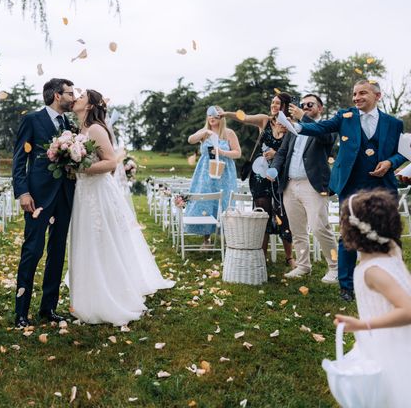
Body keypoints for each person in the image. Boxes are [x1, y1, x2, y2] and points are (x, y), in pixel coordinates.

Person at [67, 89, 175, 326]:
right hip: (84, 193)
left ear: (90, 105)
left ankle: (110, 293)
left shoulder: (95, 129)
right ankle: (88, 293)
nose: (77, 97)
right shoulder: (80, 130)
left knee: (101, 240)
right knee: (87, 240)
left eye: (83, 95)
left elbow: (110, 163)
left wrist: (80, 169)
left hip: (97, 192)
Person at [293, 80, 406, 302]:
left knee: (385, 235)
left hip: (382, 186)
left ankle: (385, 283)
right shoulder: (345, 117)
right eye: (354, 94)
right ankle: (346, 286)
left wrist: (391, 163)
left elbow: (403, 152)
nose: (356, 98)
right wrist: (298, 125)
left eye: (362, 93)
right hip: (351, 184)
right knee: (348, 236)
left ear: (377, 96)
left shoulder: (394, 123)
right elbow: (321, 128)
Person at [333, 189, 411, 407]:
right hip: (383, 342)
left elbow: (408, 310)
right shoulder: (391, 252)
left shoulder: (373, 271)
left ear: (354, 231)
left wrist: (362, 324)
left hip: (393, 347)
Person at [12, 78, 76, 328]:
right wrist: (23, 193)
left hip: (64, 196)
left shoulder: (69, 124)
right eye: (70, 93)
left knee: (57, 251)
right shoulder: (32, 120)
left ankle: (48, 307)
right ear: (57, 96)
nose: (74, 97)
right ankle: (20, 311)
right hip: (37, 197)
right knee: (32, 251)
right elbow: (19, 160)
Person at [218, 93, 295, 266]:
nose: (273, 106)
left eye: (277, 103)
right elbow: (243, 118)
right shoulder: (264, 120)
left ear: (285, 106)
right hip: (259, 175)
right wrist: (226, 114)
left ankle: (290, 257)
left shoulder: (291, 126)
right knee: (262, 215)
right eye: (272, 102)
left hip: (281, 176)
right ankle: (262, 256)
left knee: (284, 214)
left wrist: (276, 154)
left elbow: (294, 151)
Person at [271, 94, 338, 281]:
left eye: (310, 104)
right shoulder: (293, 129)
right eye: (303, 105)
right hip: (290, 184)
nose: (306, 107)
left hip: (313, 185)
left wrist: (303, 118)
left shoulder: (328, 126)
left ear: (320, 108)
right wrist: (274, 170)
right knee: (297, 229)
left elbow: (327, 138)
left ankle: (335, 267)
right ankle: (303, 265)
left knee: (319, 227)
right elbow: (282, 153)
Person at [184, 106, 240, 245]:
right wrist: (205, 132)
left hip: (225, 174)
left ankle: (229, 240)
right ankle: (206, 239)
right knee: (206, 202)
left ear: (221, 117)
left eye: (215, 116)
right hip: (205, 174)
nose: (212, 118)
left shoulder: (229, 133)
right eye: (210, 116)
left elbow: (237, 153)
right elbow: (190, 140)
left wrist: (222, 152)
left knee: (225, 202)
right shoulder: (204, 133)